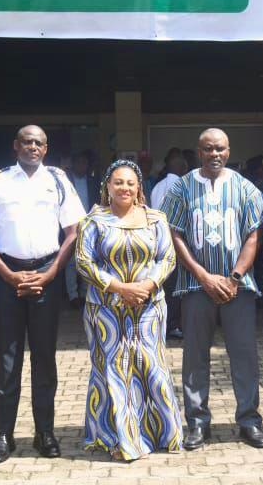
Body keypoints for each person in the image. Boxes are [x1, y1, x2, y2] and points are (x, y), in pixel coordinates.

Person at [0, 125, 86, 463]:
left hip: (46, 274)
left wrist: (51, 273)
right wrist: (7, 275)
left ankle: (44, 433)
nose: (32, 147)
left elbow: (73, 232)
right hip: (8, 275)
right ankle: (3, 436)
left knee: (44, 359)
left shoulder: (59, 181)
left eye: (38, 143)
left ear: (45, 148)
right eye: (26, 142)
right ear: (15, 146)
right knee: (8, 360)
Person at [160, 128, 263, 450]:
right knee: (195, 356)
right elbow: (174, 234)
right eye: (208, 149)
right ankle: (197, 422)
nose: (214, 154)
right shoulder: (181, 187)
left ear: (228, 150)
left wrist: (234, 277)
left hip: (238, 288)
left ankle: (249, 421)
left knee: (244, 355)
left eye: (220, 148)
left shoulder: (246, 188)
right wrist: (204, 276)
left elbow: (253, 236)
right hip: (196, 287)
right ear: (199, 152)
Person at [75, 160, 183, 461]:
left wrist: (146, 286)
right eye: (118, 182)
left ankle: (160, 433)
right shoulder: (93, 221)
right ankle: (121, 439)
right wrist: (120, 288)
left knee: (151, 366)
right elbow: (84, 262)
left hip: (148, 307)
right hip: (106, 309)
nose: (124, 187)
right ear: (107, 186)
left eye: (130, 183)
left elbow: (167, 259)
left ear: (139, 188)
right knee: (114, 369)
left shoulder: (156, 219)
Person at [151, 154, 189, 339]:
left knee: (164, 284)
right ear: (182, 168)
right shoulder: (180, 186)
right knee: (174, 286)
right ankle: (172, 325)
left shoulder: (158, 186)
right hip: (174, 242)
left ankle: (164, 323)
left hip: (157, 240)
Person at [65, 150, 101, 306]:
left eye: (84, 163)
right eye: (79, 162)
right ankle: (72, 296)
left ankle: (84, 293)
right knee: (70, 263)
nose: (82, 166)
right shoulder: (66, 181)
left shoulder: (93, 181)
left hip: (90, 227)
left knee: (88, 259)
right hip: (69, 226)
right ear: (73, 164)